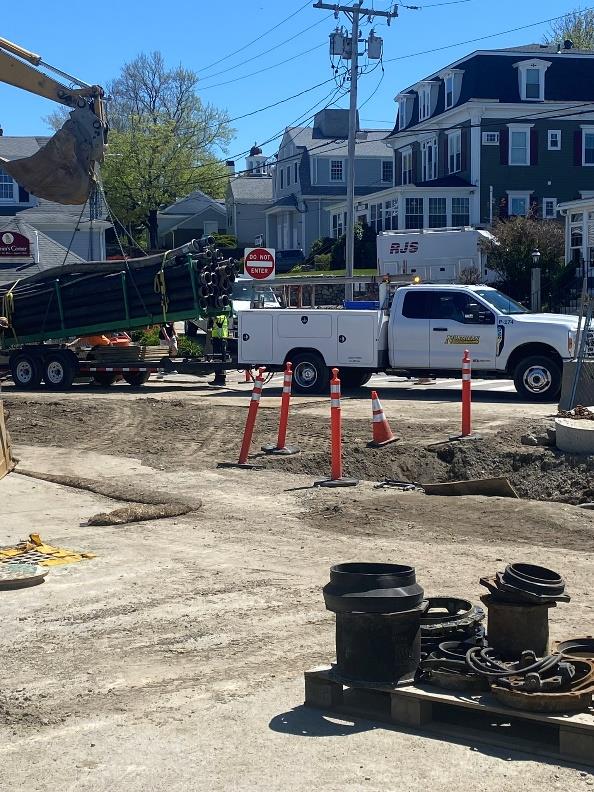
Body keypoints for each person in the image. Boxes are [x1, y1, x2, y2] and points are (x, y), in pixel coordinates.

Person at [209, 313, 229, 387]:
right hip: (219, 340)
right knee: (218, 360)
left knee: (219, 360)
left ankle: (220, 380)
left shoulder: (221, 317)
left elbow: (216, 318)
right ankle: (218, 379)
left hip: (220, 340)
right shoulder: (223, 317)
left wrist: (211, 315)